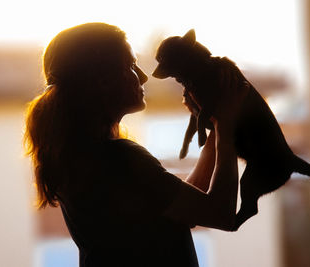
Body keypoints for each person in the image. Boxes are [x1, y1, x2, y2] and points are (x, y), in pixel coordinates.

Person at [24, 22, 247, 267]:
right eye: (130, 65)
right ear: (101, 80)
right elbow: (221, 214)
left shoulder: (81, 157)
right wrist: (227, 124)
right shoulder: (121, 159)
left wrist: (216, 128)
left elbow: (183, 208)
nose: (142, 76)